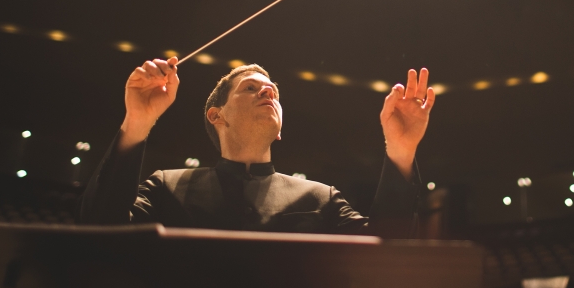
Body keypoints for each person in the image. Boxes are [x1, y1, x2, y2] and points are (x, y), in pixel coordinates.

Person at [80, 58, 436, 237]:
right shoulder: (165, 187)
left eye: (274, 93)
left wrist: (401, 150)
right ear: (216, 115)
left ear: (279, 129)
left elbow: (387, 251)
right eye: (251, 88)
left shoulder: (321, 199)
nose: (268, 92)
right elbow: (100, 232)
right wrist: (137, 122)